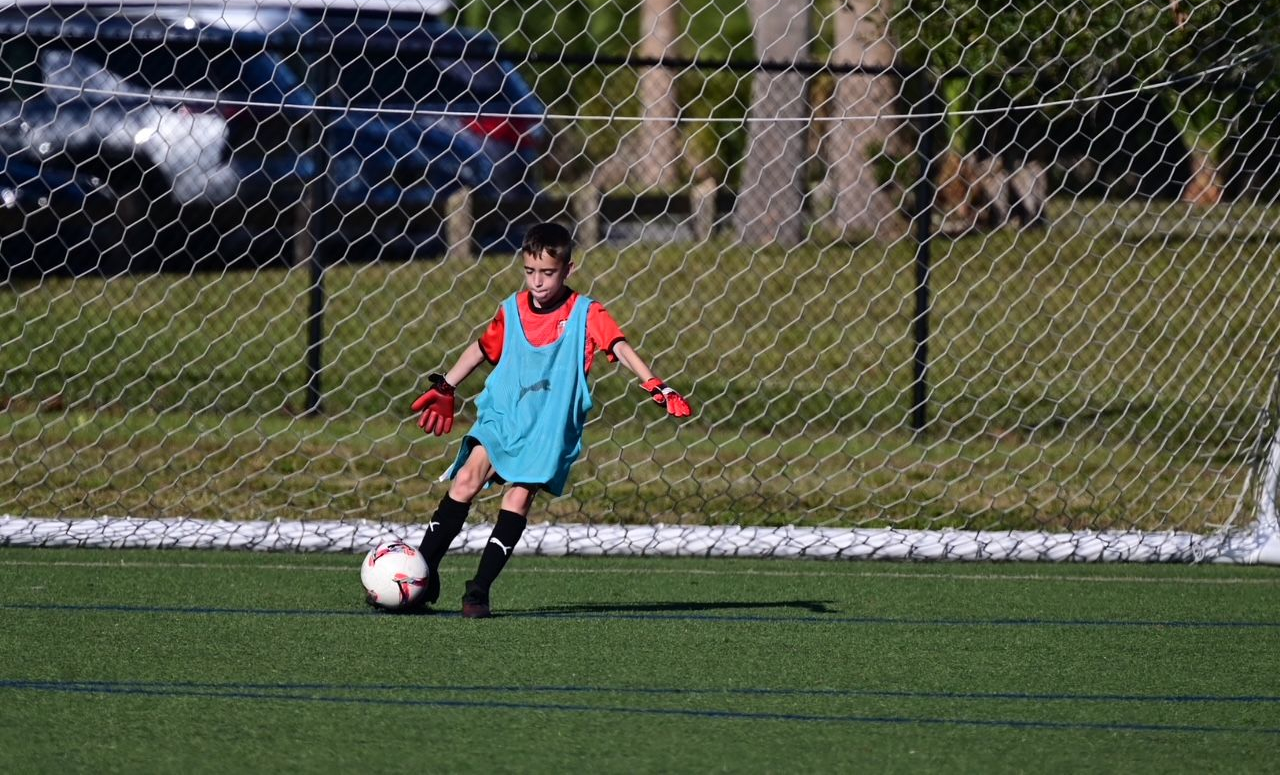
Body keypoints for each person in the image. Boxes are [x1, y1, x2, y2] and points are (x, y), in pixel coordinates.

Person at [409, 222, 691, 618]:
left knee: (519, 497)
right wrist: (446, 385)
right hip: (504, 413)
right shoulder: (512, 309)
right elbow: (482, 348)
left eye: (548, 273)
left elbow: (618, 345)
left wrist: (655, 384)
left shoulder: (586, 313)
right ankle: (419, 573)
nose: (538, 282)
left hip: (549, 426)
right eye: (530, 272)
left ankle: (478, 590)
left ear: (568, 269)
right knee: (467, 479)